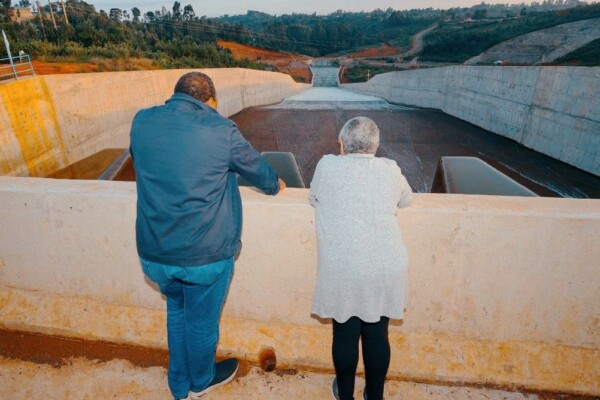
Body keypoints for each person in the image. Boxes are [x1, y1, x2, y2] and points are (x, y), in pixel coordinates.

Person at [130, 71, 285, 400]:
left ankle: (178, 384)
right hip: (205, 255)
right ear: (210, 101)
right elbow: (260, 173)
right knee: (201, 322)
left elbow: (146, 159)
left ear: (177, 95)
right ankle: (200, 381)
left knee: (177, 310)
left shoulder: (141, 121)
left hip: (155, 253)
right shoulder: (220, 129)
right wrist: (277, 184)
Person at [308, 117, 412, 400]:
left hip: (344, 268)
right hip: (386, 266)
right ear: (375, 147)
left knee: (344, 335)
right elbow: (406, 199)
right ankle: (374, 395)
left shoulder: (327, 166)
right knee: (378, 335)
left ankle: (345, 394)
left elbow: (313, 197)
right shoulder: (390, 169)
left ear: (342, 144)